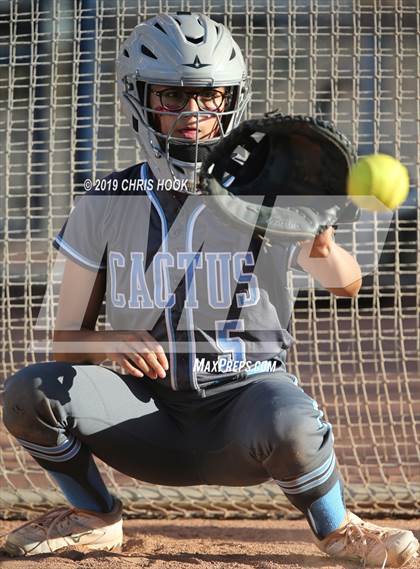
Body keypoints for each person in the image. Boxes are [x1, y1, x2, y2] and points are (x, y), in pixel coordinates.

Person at [2, 12, 418, 567]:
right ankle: (94, 516)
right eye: (174, 97)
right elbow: (64, 344)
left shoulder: (266, 192)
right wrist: (110, 343)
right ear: (140, 99)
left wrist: (323, 249)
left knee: (292, 422)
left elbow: (346, 284)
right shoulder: (104, 200)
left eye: (210, 96)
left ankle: (339, 528)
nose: (195, 114)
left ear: (232, 100)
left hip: (244, 416)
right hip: (143, 418)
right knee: (29, 391)